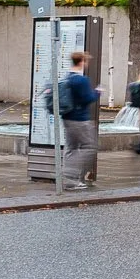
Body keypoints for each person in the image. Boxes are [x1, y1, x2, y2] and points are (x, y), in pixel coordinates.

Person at [59, 49, 100, 190]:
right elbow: (88, 99)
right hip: (80, 119)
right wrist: (98, 92)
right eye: (86, 61)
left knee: (71, 147)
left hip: (67, 118)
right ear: (82, 62)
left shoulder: (67, 77)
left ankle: (67, 179)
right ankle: (71, 175)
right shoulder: (81, 80)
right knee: (90, 147)